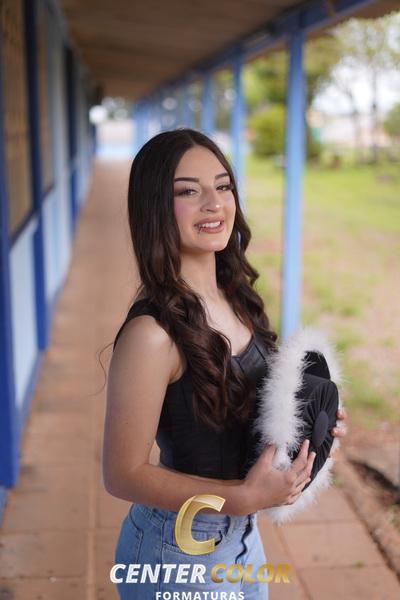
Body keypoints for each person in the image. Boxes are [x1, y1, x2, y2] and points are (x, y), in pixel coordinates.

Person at [102, 128, 348, 599]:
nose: (214, 203)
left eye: (223, 185)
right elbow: (122, 474)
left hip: (242, 540)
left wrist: (311, 424)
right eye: (188, 192)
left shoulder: (237, 297)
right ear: (155, 207)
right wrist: (240, 498)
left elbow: (246, 411)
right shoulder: (152, 335)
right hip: (177, 548)